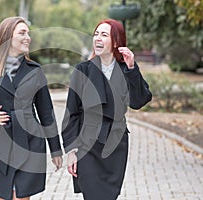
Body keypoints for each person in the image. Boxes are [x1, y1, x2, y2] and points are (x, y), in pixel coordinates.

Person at [0, 16, 63, 200]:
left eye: (28, 33)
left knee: (22, 196)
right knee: (4, 195)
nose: (28, 37)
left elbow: (46, 113)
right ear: (7, 37)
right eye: (22, 33)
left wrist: (55, 149)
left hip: (30, 141)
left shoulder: (35, 71)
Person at [61, 19, 152, 200]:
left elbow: (138, 101)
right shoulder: (83, 70)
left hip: (115, 144)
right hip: (87, 144)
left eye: (104, 35)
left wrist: (132, 68)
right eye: (96, 34)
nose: (97, 39)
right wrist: (71, 151)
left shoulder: (127, 69)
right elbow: (72, 112)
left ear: (116, 41)